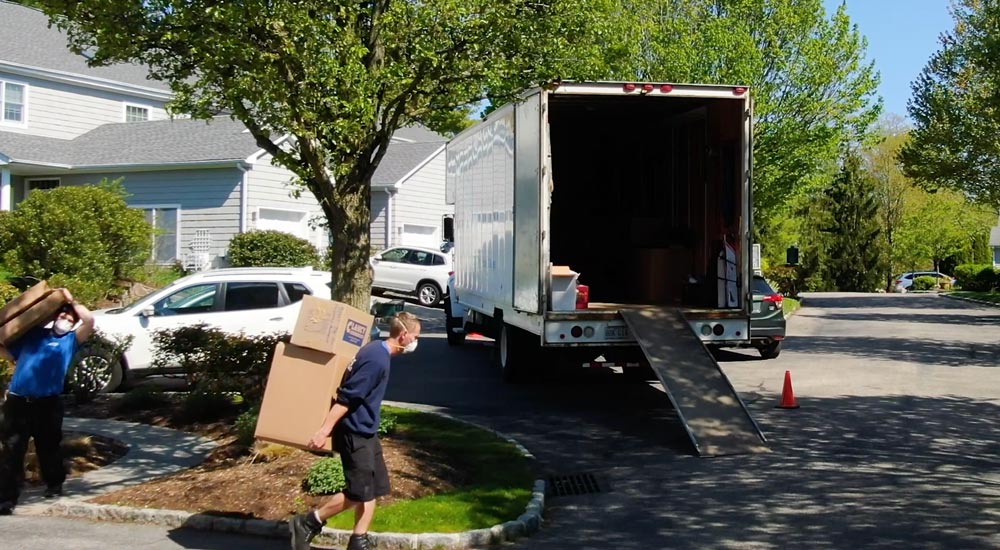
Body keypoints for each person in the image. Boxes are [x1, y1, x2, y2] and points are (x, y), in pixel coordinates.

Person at [289, 311, 421, 550]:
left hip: (367, 432)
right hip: (355, 433)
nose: (416, 342)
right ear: (403, 336)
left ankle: (359, 541)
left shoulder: (375, 349)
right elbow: (347, 398)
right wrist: (324, 430)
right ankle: (308, 522)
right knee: (358, 492)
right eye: (415, 337)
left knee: (373, 488)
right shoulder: (377, 360)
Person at [0, 289, 94, 515]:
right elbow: (9, 353)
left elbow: (90, 320)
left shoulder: (71, 341)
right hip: (18, 402)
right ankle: (6, 499)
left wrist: (70, 301)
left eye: (70, 318)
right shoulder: (33, 336)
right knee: (12, 450)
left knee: (49, 447)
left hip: (47, 404)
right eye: (62, 315)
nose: (65, 319)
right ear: (54, 317)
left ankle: (54, 483)